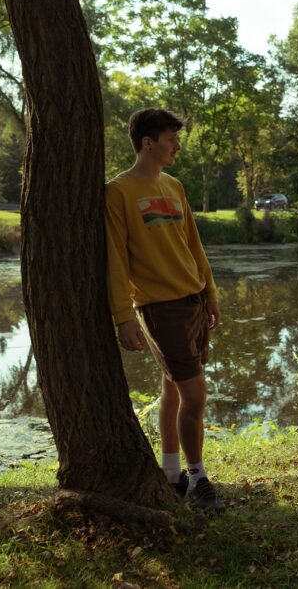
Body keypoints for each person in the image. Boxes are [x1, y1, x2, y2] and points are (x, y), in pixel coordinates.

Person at [105, 107, 223, 509]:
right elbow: (115, 260)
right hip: (159, 308)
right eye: (171, 139)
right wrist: (124, 318)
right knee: (196, 396)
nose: (177, 146)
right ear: (147, 143)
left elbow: (194, 244)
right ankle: (198, 479)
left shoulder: (174, 186)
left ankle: (171, 474)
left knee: (174, 388)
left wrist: (210, 293)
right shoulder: (118, 192)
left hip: (191, 301)